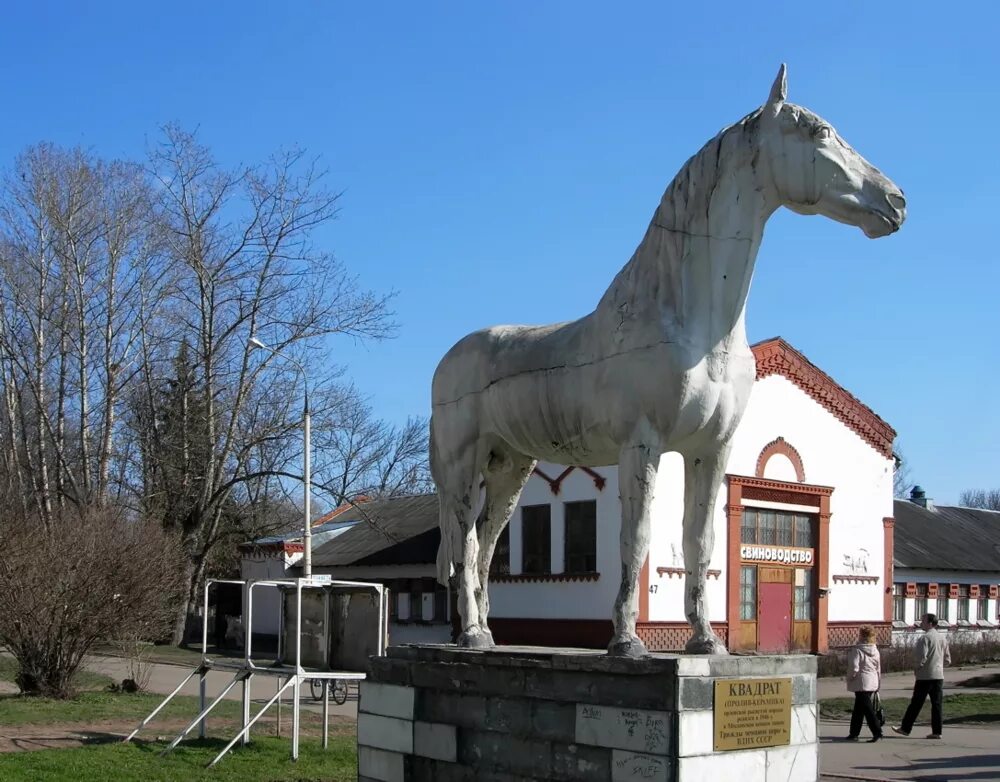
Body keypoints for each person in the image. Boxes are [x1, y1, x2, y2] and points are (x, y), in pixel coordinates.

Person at [892, 613, 951, 739]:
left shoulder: (924, 638)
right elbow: (947, 659)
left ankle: (905, 728)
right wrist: (939, 666)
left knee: (916, 703)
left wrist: (917, 668)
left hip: (925, 676)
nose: (920, 623)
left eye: (923, 621)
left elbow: (921, 658)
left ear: (930, 623)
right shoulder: (942, 638)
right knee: (937, 704)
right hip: (938, 675)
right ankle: (937, 731)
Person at [844, 625, 882, 742]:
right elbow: (878, 668)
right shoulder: (875, 650)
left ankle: (877, 731)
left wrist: (849, 678)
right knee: (858, 709)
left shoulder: (857, 650)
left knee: (867, 709)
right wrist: (878, 683)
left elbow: (854, 668)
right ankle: (854, 732)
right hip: (872, 681)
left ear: (861, 636)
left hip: (861, 682)